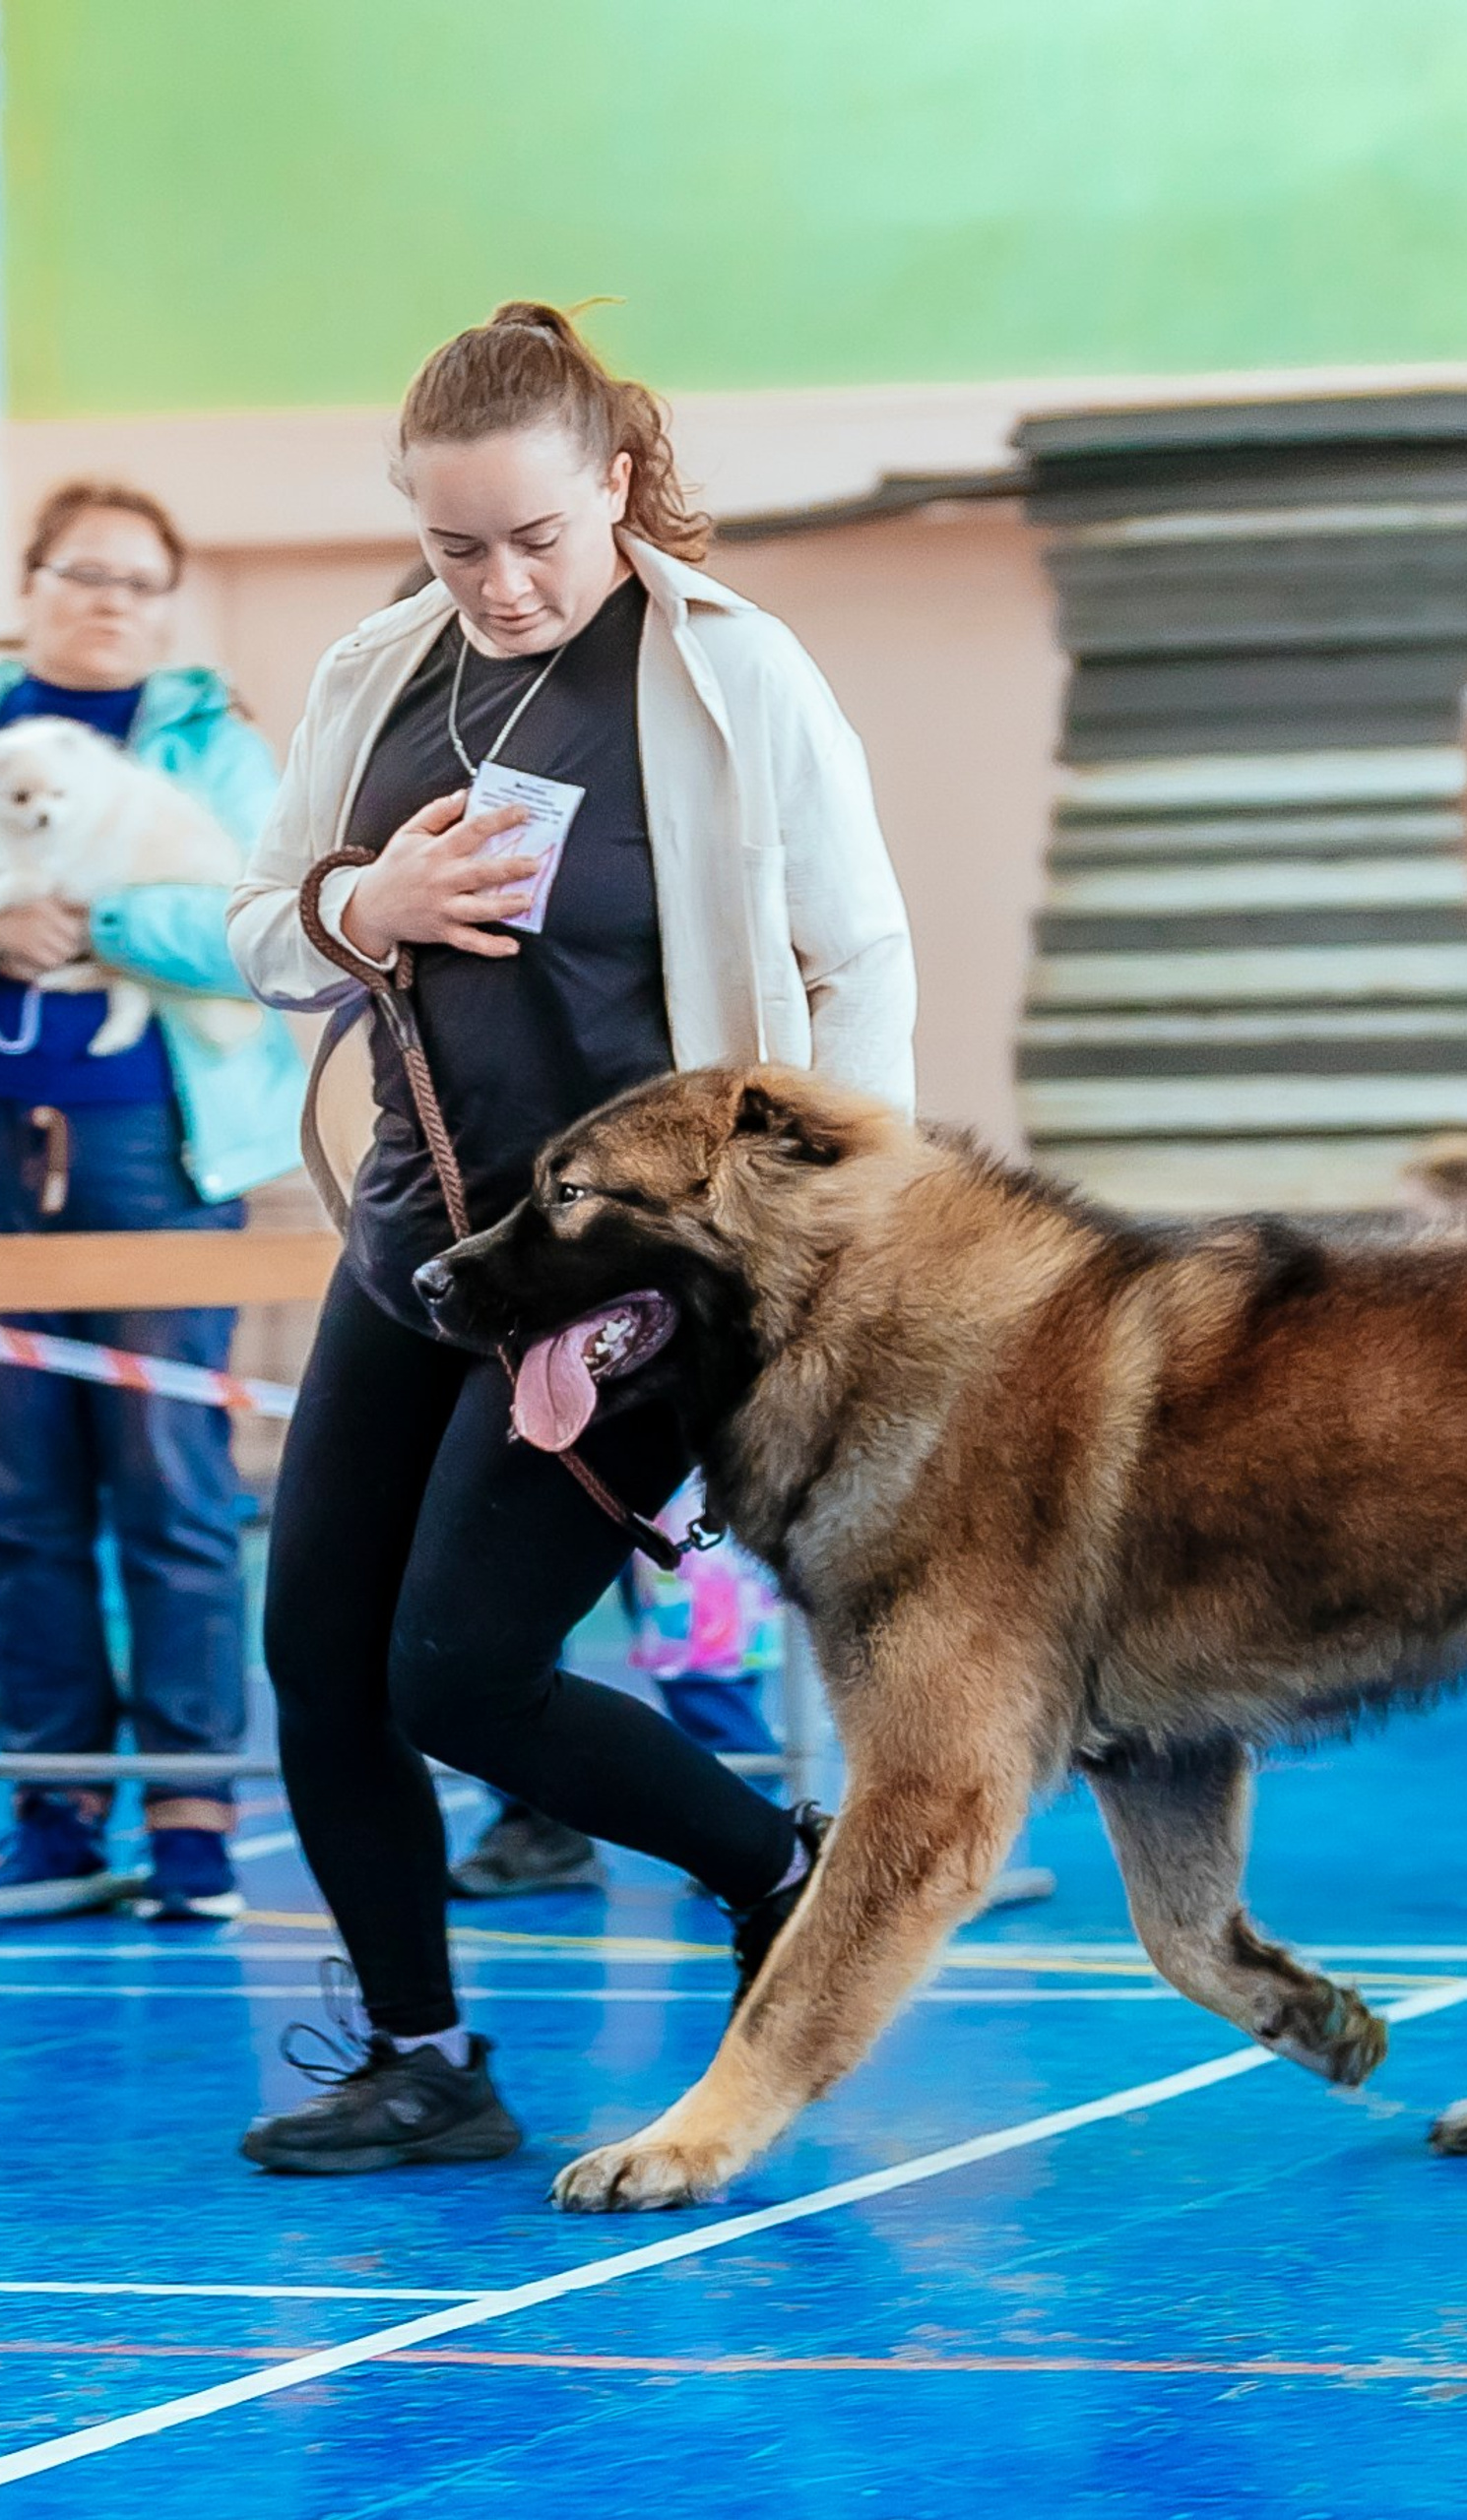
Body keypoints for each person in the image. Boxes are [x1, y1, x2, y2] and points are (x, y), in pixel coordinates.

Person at [225, 302, 916, 2174]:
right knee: (317, 1657)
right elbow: (265, 934)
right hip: (421, 1246)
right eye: (458, 544)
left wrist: (837, 1237)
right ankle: (423, 2056)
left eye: (536, 534)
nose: (501, 580)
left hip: (636, 1279)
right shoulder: (379, 670)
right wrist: (366, 894)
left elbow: (862, 956)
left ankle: (780, 1868)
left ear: (615, 484)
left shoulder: (731, 671)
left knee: (453, 1672)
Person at [0, 481, 302, 1925]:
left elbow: (262, 928)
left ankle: (191, 1811)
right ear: (32, 584)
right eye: (84, 573)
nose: (112, 599)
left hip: (157, 1153)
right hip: (9, 1148)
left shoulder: (213, 742)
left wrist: (97, 920)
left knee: (171, 1478)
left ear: (167, 603)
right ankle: (50, 1804)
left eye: (141, 580)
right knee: (20, 1493)